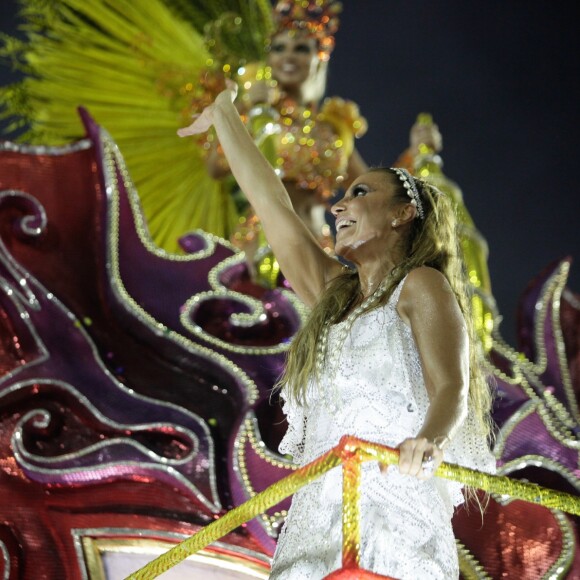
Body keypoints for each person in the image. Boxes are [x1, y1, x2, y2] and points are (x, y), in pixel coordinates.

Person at [178, 80, 496, 578]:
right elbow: (272, 204)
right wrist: (226, 118)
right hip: (316, 517)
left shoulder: (420, 285)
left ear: (402, 214)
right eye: (342, 196)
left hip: (395, 507)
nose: (338, 206)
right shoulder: (333, 295)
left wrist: (429, 440)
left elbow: (452, 385)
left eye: (360, 193)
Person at [202, 0, 369, 285]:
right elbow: (216, 165)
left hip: (319, 246)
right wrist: (252, 112)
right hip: (263, 243)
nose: (288, 56)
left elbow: (367, 190)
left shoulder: (334, 127)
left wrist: (414, 166)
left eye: (301, 48)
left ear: (320, 57)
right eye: (279, 48)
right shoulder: (252, 112)